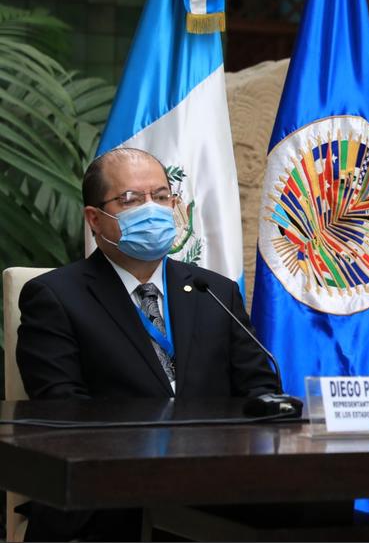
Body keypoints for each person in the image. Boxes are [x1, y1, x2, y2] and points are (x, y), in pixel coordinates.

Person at [16, 147, 279, 540]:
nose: (152, 208)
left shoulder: (214, 291)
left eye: (161, 196)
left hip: (217, 493)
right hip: (107, 502)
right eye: (131, 199)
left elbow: (260, 390)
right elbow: (64, 410)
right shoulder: (54, 297)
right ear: (95, 220)